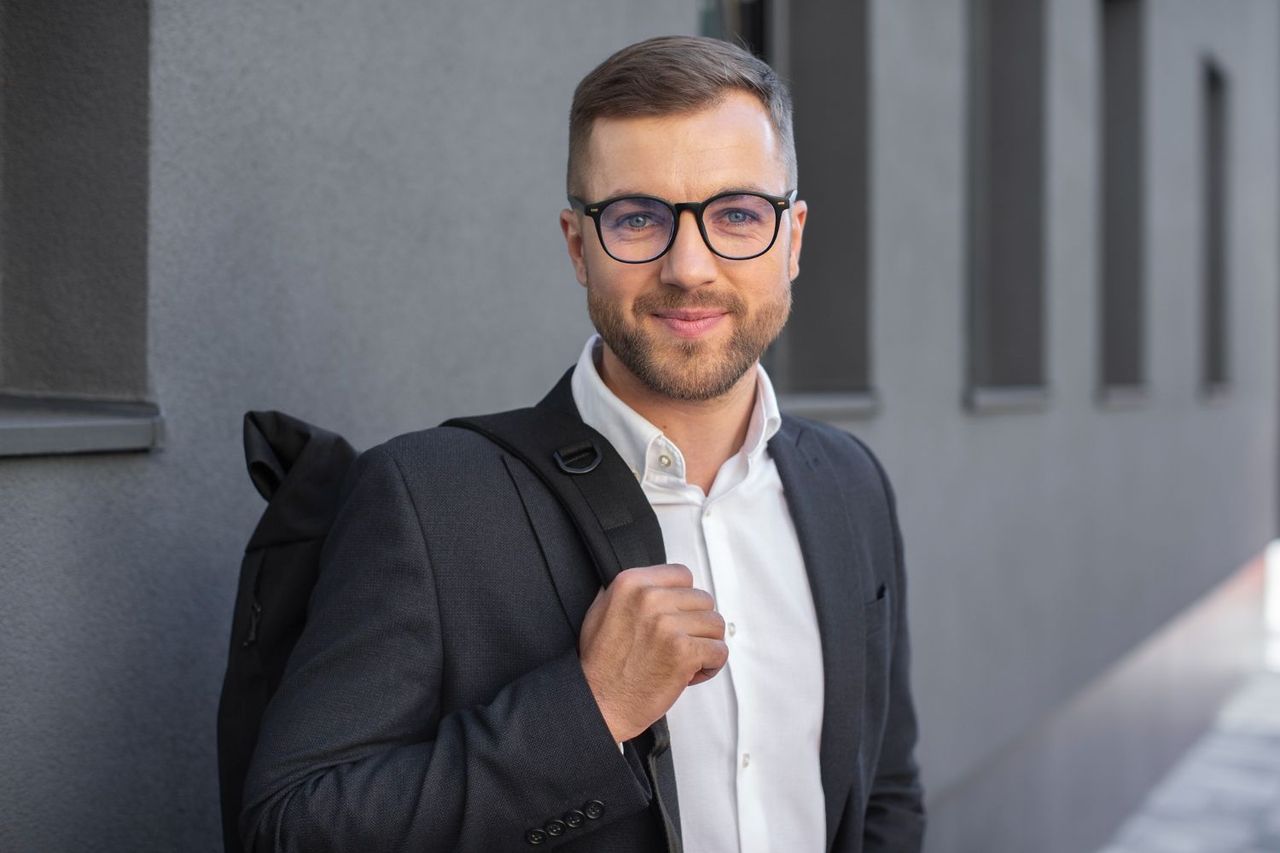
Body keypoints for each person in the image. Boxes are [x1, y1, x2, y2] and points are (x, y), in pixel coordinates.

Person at [241, 35, 924, 853]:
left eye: (738, 215)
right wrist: (592, 709)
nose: (689, 267)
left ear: (794, 238)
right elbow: (289, 827)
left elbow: (883, 789)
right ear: (578, 246)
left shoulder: (849, 484)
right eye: (637, 218)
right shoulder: (428, 502)